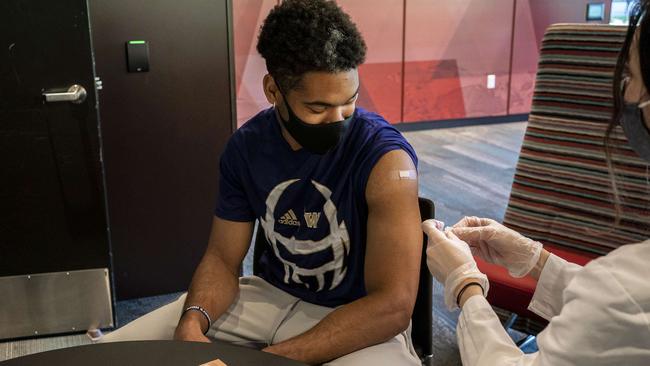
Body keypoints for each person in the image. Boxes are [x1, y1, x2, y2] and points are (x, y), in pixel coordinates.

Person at [102, 1, 423, 365]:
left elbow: (393, 305)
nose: (338, 120)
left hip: (356, 317)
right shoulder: (246, 147)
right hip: (265, 297)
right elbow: (223, 259)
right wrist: (192, 322)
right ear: (273, 91)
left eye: (349, 102)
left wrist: (267, 359)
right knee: (114, 354)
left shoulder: (386, 160)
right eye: (318, 109)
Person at [422, 1, 650, 365]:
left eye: (632, 78)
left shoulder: (624, 289)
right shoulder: (625, 287)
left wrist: (464, 283)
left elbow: (618, 301)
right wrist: (536, 258)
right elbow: (617, 306)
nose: (625, 94)